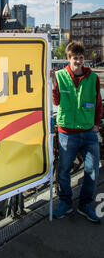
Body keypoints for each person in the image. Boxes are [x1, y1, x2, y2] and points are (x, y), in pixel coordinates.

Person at [52, 41, 102, 223]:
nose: (78, 62)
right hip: (67, 133)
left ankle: (85, 204)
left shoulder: (93, 78)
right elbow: (56, 102)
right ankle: (65, 202)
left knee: (92, 170)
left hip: (89, 133)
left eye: (81, 58)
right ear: (69, 58)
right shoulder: (59, 75)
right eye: (75, 58)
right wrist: (53, 86)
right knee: (64, 170)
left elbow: (98, 103)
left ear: (84, 59)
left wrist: (96, 124)